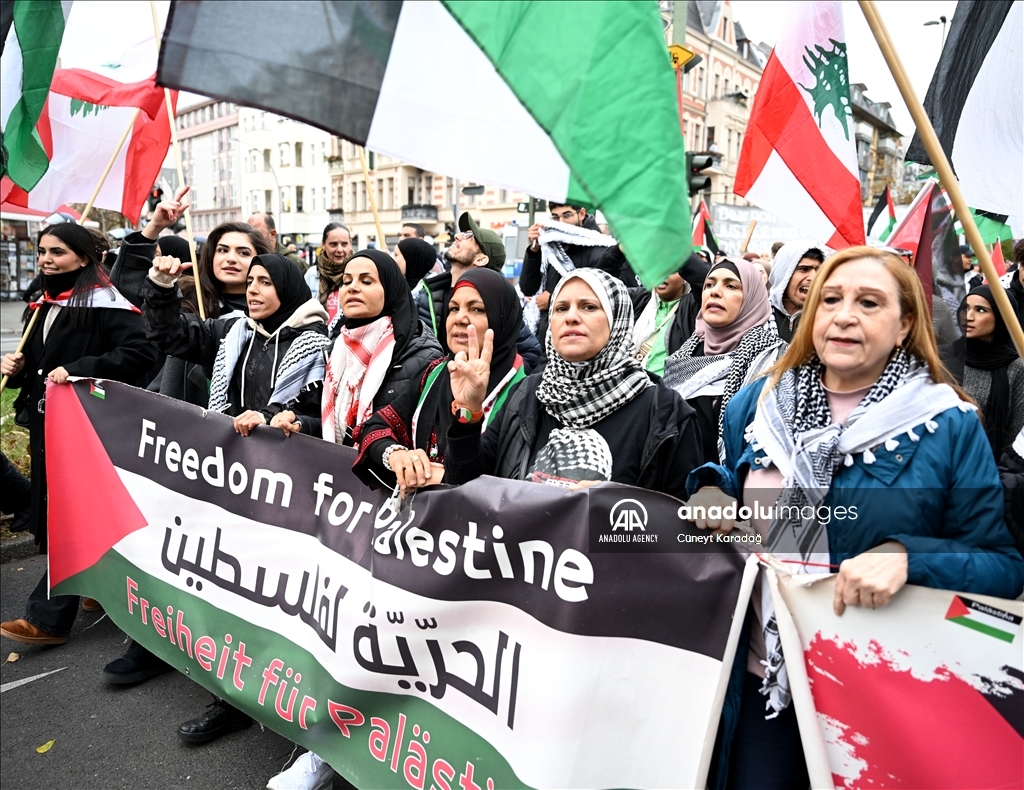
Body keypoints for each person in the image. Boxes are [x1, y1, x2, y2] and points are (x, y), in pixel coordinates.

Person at [685, 247, 1024, 790]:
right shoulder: (757, 404)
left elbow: (1000, 568)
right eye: (831, 299)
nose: (844, 315)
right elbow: (741, 490)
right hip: (761, 686)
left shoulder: (948, 424)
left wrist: (908, 557)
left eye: (869, 303)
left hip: (881, 699)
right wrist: (710, 489)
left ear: (905, 324)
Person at [142, 253, 331, 744]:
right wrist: (162, 286)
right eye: (250, 282)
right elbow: (170, 337)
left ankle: (289, 693)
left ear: (287, 288)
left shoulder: (316, 344)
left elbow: (318, 414)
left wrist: (271, 418)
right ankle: (232, 697)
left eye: (265, 282)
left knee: (280, 598)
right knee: (234, 590)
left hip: (287, 494)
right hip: (232, 488)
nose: (253, 290)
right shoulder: (231, 334)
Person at [0, 223, 158, 646]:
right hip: (46, 425)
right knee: (76, 512)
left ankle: (48, 619)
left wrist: (81, 369)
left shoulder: (107, 304)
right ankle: (101, 586)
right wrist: (17, 372)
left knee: (73, 513)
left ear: (84, 258)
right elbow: (37, 366)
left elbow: (141, 353)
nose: (47, 259)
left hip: (88, 429)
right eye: (43, 251)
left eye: (58, 252)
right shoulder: (42, 305)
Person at [441, 268, 702, 497]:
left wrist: (617, 503)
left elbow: (681, 518)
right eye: (561, 308)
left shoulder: (664, 411)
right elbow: (468, 490)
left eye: (589, 307)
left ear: (618, 319)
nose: (571, 317)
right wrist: (468, 412)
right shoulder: (528, 395)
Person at [354, 268, 527, 491]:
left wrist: (468, 414)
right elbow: (375, 427)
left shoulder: (523, 394)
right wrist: (398, 456)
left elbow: (506, 487)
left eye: (477, 309)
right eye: (454, 308)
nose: (460, 319)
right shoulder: (433, 373)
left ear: (503, 318)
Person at [270, 249, 442, 444]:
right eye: (346, 281)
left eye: (366, 281)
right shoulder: (336, 350)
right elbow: (336, 429)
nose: (352, 288)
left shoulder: (421, 355)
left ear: (390, 288)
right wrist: (300, 423)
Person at [663, 258, 786, 463]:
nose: (715, 291)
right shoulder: (683, 357)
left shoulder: (774, 362)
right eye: (709, 284)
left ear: (753, 299)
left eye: (731, 286)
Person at [417, 212, 541, 372]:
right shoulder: (428, 292)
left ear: (481, 259)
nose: (457, 236)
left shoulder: (498, 301)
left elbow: (530, 353)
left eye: (469, 236)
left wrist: (488, 381)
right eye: (454, 308)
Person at [519, 202, 635, 344]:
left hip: (581, 338)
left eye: (567, 215)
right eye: (555, 217)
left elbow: (599, 294)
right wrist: (534, 251)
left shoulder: (599, 247)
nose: (561, 222)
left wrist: (551, 301)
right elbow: (528, 288)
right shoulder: (550, 245)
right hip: (547, 336)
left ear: (581, 214)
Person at [952, 286, 1024, 459]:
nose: (968, 317)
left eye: (981, 310)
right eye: (965, 308)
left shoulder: (1016, 368)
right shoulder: (941, 356)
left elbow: (1014, 437)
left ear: (1001, 317)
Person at [630, 253, 710, 376]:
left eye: (670, 270)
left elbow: (704, 279)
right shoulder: (639, 299)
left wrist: (675, 248)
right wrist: (618, 251)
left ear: (684, 277)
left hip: (665, 390)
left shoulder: (693, 307)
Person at [768, 242, 825, 342]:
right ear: (783, 274)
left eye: (818, 270)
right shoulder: (756, 318)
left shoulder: (826, 319)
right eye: (804, 269)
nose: (814, 277)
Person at [315, 222, 354, 328]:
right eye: (333, 244)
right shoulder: (312, 274)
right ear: (323, 244)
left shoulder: (357, 272)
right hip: (318, 337)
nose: (339, 250)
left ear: (350, 244)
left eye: (344, 244)